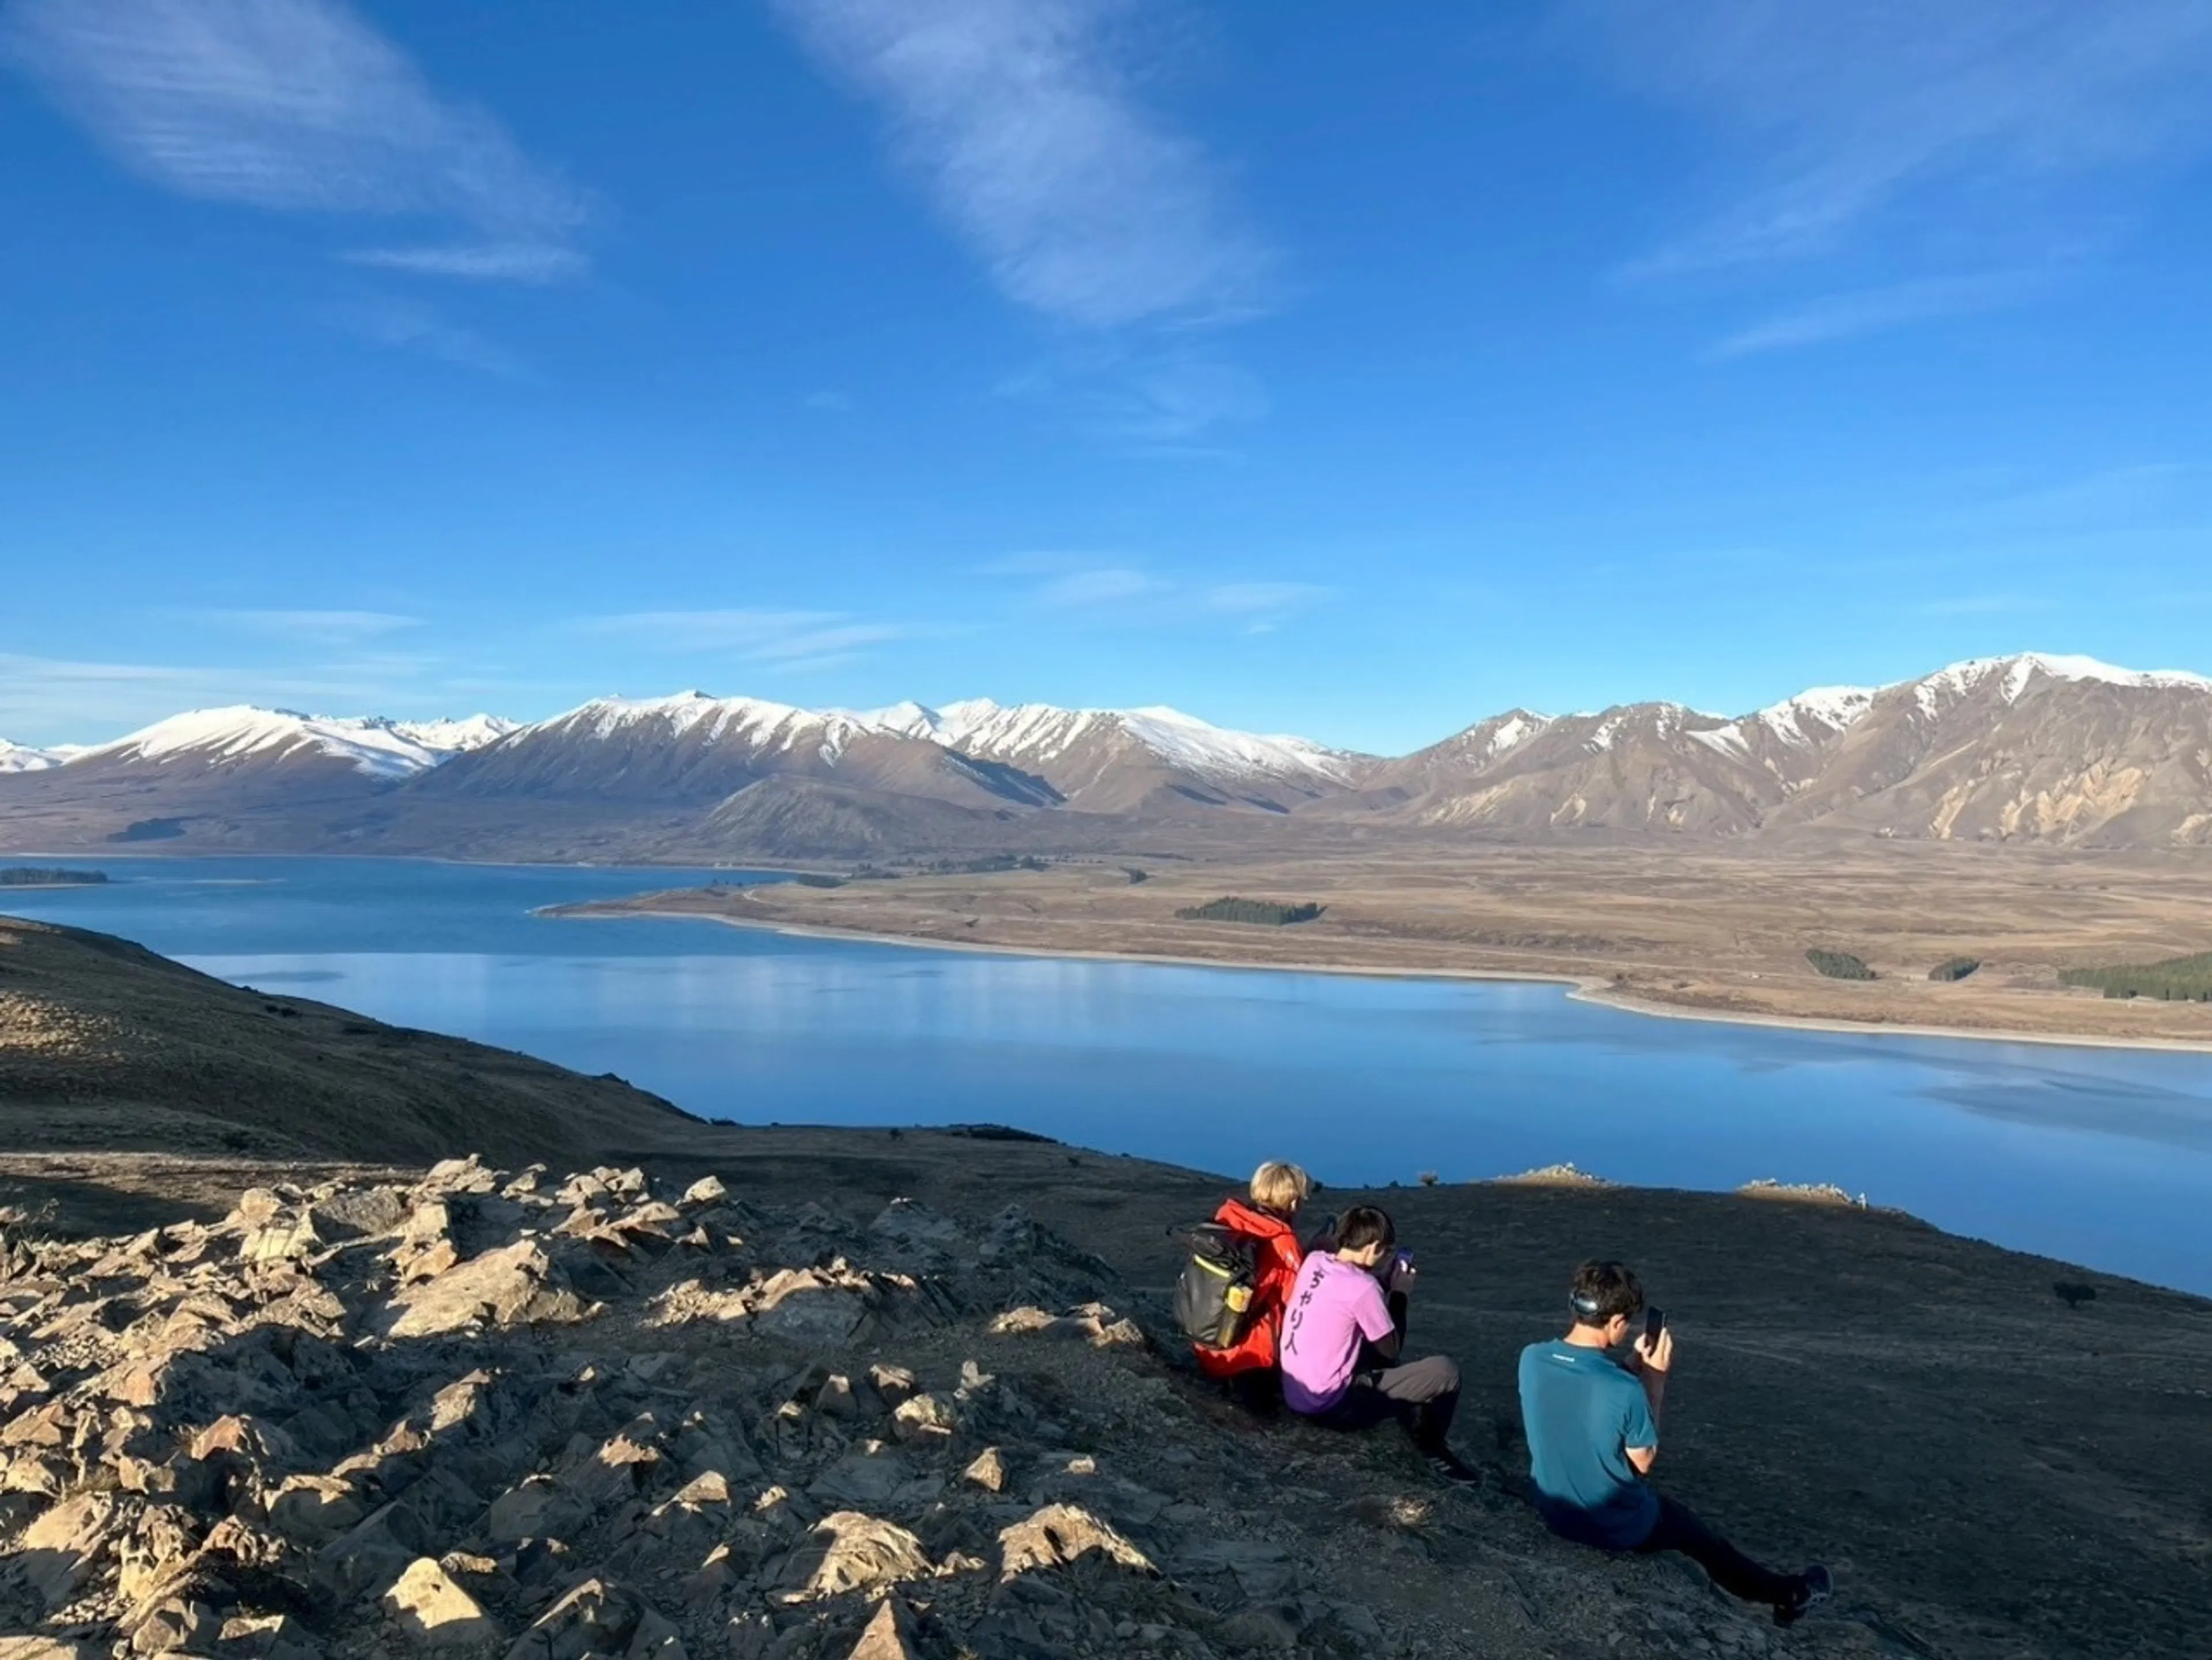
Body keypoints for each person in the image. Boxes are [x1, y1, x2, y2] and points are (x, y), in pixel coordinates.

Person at [1518, 1261, 1832, 1627]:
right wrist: (1655, 1378)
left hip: (1554, 1510)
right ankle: (1791, 1596)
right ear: (1618, 1322)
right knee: (1707, 1542)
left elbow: (1580, 1390)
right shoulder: (1624, 1390)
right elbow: (1643, 1461)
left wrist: (1630, 1368)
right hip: (1611, 1526)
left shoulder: (1533, 1358)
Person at [1279, 1204, 1478, 1484]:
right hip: (1331, 1406)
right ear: (1372, 1248)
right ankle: (1433, 1448)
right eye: (1383, 1251)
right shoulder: (1363, 1289)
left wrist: (1382, 1282)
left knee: (1365, 1339)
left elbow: (1346, 1297)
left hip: (1296, 1391)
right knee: (1446, 1372)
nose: (1384, 1257)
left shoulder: (1316, 1261)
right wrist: (1399, 1295)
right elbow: (1390, 1349)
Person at [1192, 1160, 1312, 1404]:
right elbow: (1298, 1300)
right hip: (1250, 1360)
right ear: (1293, 1202)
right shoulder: (1281, 1240)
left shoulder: (1229, 1219)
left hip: (1208, 1344)